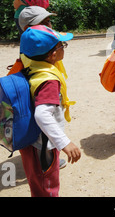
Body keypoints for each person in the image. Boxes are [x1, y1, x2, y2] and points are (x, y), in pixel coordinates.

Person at [19, 25, 81, 197]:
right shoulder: (49, 81)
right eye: (62, 45)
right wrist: (64, 143)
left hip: (29, 141)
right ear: (53, 54)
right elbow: (42, 114)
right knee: (48, 186)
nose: (63, 48)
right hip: (43, 144)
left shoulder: (29, 67)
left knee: (38, 184)